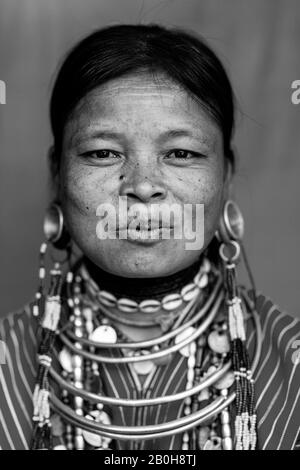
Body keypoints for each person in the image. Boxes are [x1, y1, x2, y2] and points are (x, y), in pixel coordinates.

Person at [0, 24, 299, 451]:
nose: (142, 186)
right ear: (58, 176)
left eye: (181, 153)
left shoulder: (290, 367)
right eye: (103, 153)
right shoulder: (8, 364)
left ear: (226, 177)